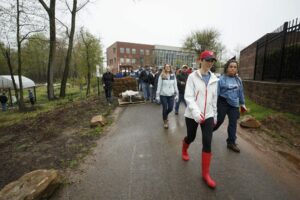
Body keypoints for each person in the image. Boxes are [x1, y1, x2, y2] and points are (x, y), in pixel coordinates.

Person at [182, 50, 218, 189]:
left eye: (212, 60)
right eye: (207, 60)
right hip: (192, 115)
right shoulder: (192, 77)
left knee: (207, 142)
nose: (210, 63)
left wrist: (214, 115)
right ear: (200, 60)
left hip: (208, 115)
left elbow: (214, 98)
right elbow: (189, 97)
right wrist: (196, 113)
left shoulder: (215, 79)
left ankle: (206, 174)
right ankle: (184, 148)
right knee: (191, 137)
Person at [213, 58, 247, 153]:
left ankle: (231, 142)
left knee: (233, 123)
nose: (233, 69)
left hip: (234, 104)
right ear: (227, 68)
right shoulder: (221, 79)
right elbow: (216, 94)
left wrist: (242, 103)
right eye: (231, 67)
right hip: (223, 102)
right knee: (219, 120)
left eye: (235, 67)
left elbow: (240, 92)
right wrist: (214, 107)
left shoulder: (238, 80)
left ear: (237, 69)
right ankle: (209, 131)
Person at [156, 64, 179, 129]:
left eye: (169, 67)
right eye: (166, 67)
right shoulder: (162, 75)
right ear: (164, 68)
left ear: (170, 68)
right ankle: (165, 121)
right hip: (163, 95)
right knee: (165, 107)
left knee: (171, 108)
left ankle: (165, 115)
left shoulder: (173, 75)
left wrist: (177, 94)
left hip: (171, 95)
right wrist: (157, 95)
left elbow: (175, 86)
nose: (168, 68)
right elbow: (159, 86)